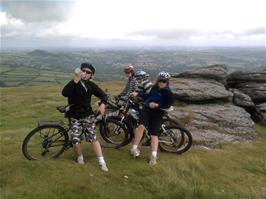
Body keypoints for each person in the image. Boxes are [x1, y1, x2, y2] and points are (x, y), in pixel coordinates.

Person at [62, 62, 108, 171]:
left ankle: (102, 162)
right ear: (80, 71)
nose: (85, 73)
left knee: (93, 138)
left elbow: (104, 95)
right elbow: (64, 93)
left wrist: (103, 104)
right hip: (74, 115)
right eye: (83, 70)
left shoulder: (91, 85)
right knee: (75, 139)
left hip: (87, 115)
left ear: (91, 75)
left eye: (88, 72)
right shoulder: (74, 83)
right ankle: (80, 157)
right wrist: (75, 80)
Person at [130, 71, 174, 166]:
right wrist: (138, 95)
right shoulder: (154, 87)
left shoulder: (168, 92)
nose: (162, 83)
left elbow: (168, 104)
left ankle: (153, 156)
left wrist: (157, 105)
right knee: (141, 126)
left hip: (158, 113)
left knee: (154, 135)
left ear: (167, 82)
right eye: (160, 80)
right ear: (158, 80)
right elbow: (148, 96)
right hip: (146, 109)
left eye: (164, 81)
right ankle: (134, 147)